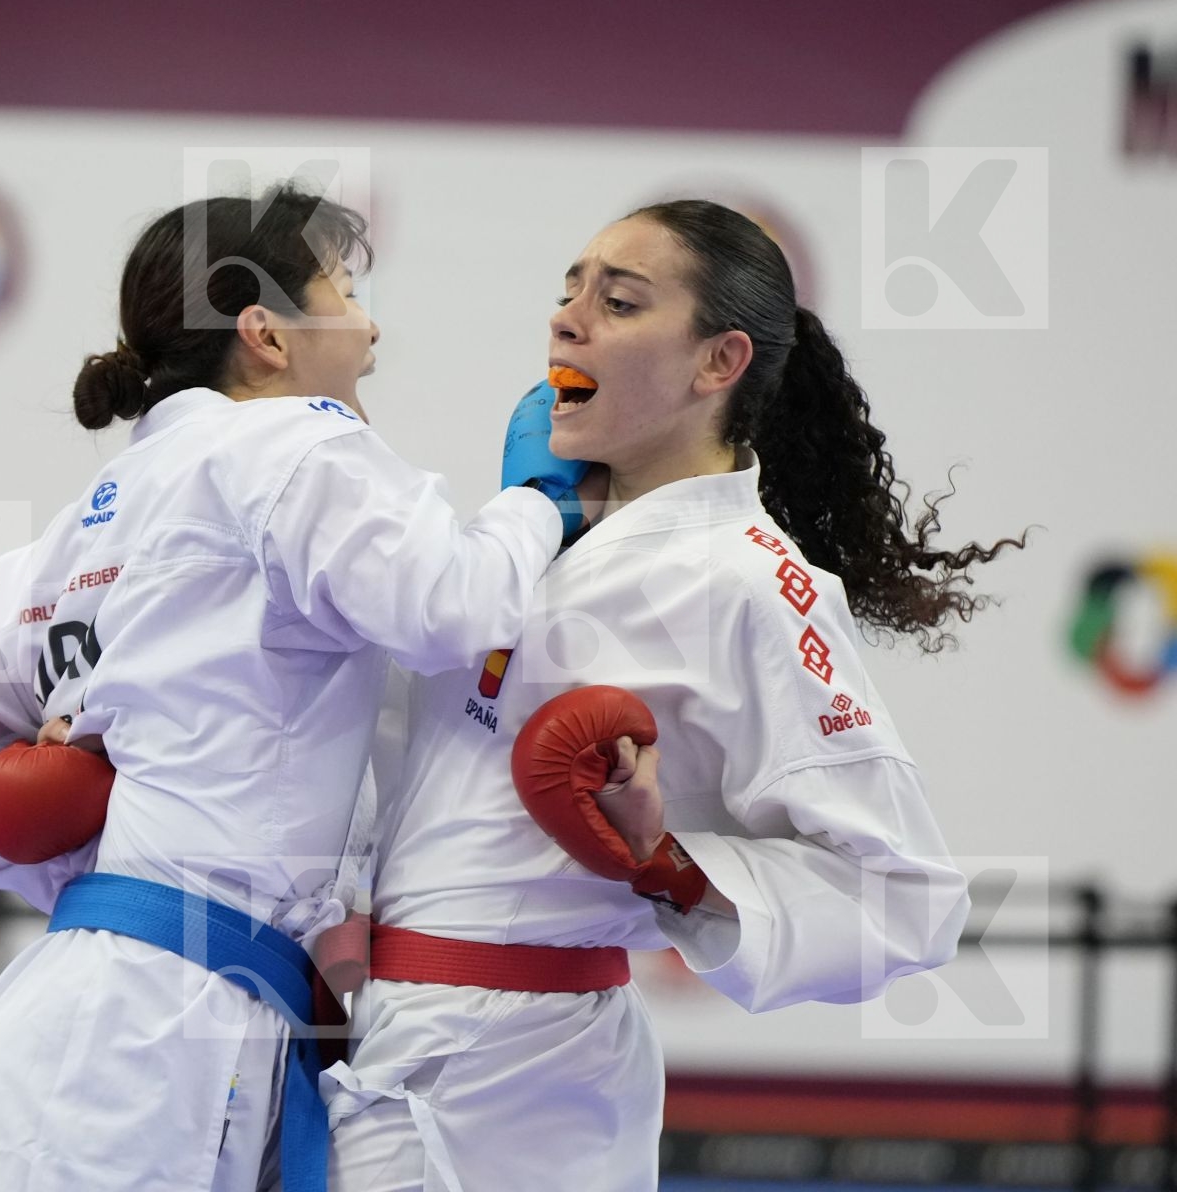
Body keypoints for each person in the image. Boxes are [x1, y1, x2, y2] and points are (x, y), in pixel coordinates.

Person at [0, 184, 578, 1192]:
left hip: (93, 1014)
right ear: (265, 333)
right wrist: (534, 505)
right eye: (345, 291)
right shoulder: (291, 443)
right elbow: (452, 609)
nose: (369, 326)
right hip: (149, 1046)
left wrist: (92, 866)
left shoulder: (91, 521)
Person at [322, 199, 1027, 1191]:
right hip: (386, 1028)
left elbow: (905, 900)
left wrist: (666, 861)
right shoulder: (525, 542)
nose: (568, 319)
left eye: (618, 301)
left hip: (523, 1077)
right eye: (569, 291)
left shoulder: (748, 580)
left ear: (718, 363)